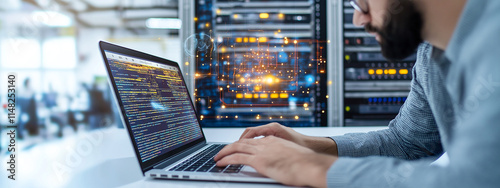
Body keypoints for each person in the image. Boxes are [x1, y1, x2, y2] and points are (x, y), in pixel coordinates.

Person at [213, 0, 500, 187]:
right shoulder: (431, 55)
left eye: (360, 1)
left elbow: (474, 180)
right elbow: (407, 142)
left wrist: (308, 166)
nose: (357, 19)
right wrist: (311, 145)